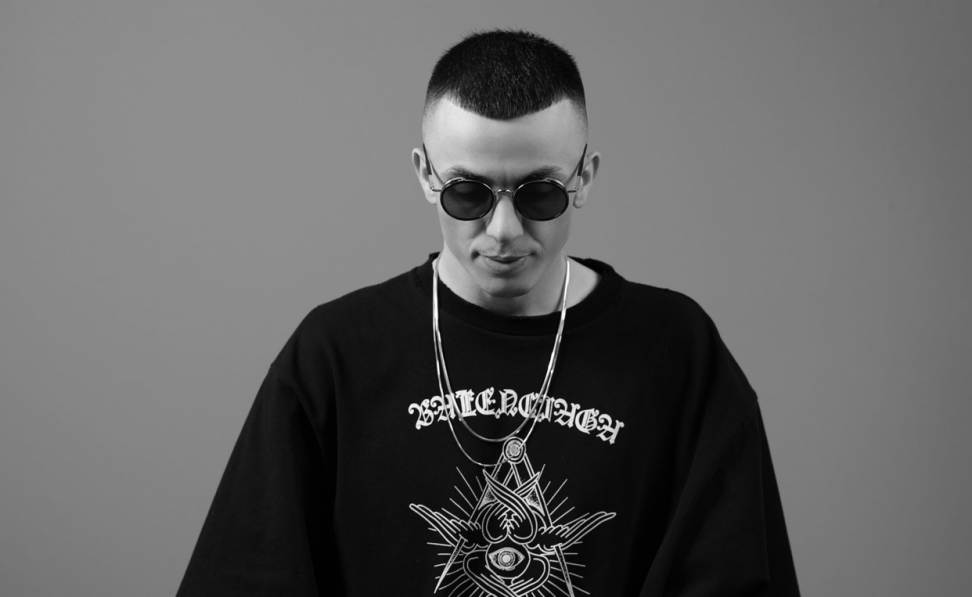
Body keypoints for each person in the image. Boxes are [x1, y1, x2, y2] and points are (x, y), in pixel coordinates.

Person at [176, 29, 800, 596]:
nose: (503, 230)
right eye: (468, 193)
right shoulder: (335, 352)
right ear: (425, 175)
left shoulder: (677, 351)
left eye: (541, 194)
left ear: (585, 178)